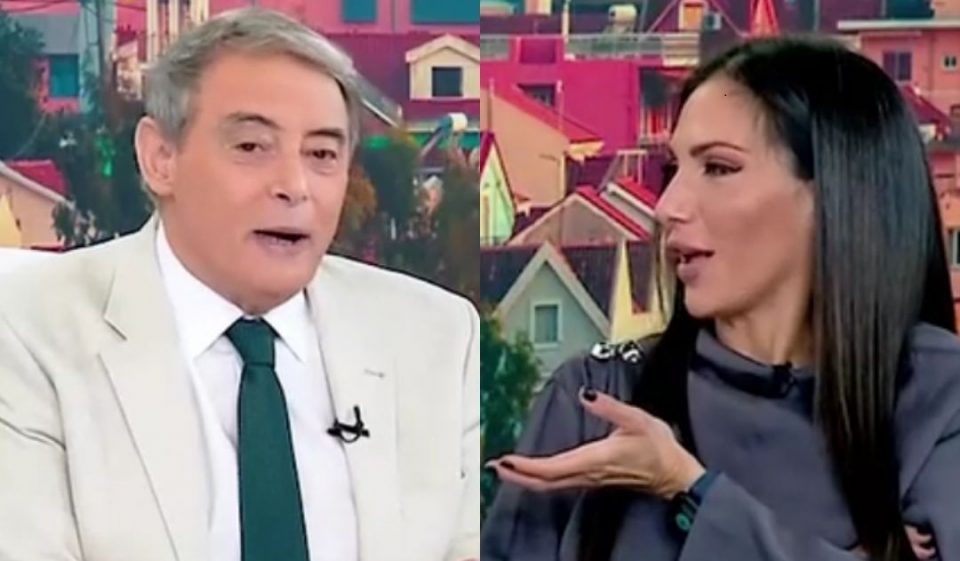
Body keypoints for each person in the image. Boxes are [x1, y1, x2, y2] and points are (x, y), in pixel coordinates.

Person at [0, 8, 478, 561]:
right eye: (252, 147)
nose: (295, 186)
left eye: (322, 155)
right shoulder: (30, 334)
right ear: (160, 158)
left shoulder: (438, 338)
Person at [482, 37, 960, 561]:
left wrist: (690, 489)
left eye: (718, 168)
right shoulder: (597, 401)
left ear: (837, 192)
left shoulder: (941, 402)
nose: (667, 207)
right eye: (673, 170)